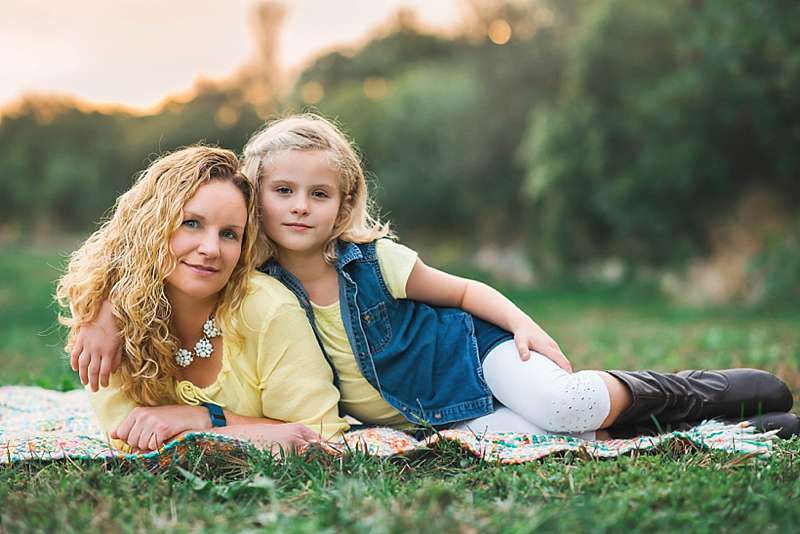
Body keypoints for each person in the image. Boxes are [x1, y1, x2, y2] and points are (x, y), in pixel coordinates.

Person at [73, 116, 797, 441]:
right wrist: (103, 310)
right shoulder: (246, 266)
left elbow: (462, 292)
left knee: (569, 406)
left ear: (344, 204)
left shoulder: (367, 260)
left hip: (470, 359)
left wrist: (521, 324)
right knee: (538, 440)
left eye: (319, 195)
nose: (299, 206)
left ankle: (714, 388)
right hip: (426, 409)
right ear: (256, 194)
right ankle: (746, 428)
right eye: (282, 191)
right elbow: (151, 235)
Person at [57, 146, 349, 453]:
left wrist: (205, 419)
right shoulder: (111, 321)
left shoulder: (269, 309)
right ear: (151, 228)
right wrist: (106, 308)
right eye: (191, 223)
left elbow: (320, 437)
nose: (211, 249)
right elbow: (129, 440)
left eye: (229, 234)